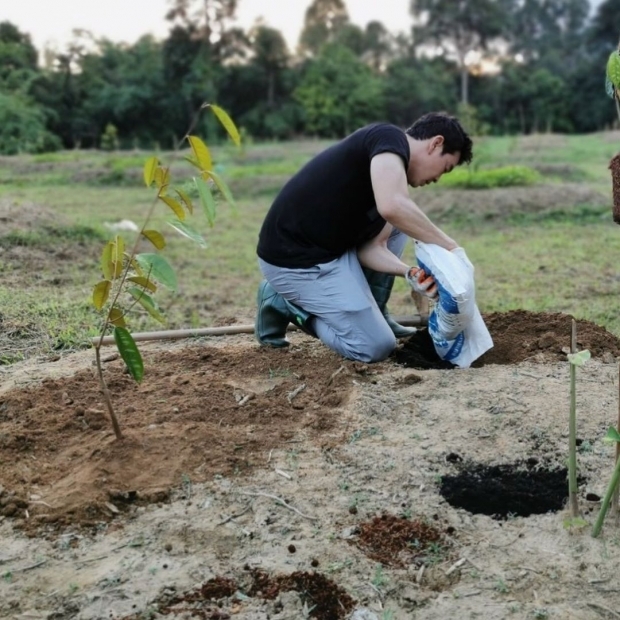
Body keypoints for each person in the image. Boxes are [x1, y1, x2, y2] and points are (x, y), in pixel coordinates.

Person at [254, 111, 473, 363]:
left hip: (333, 250)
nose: (437, 179)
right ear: (436, 143)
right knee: (373, 347)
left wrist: (409, 273)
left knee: (401, 223)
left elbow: (371, 248)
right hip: (296, 262)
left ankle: (375, 314)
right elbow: (393, 206)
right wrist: (451, 247)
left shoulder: (386, 185)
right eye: (444, 169)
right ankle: (283, 302)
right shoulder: (387, 138)